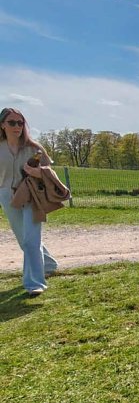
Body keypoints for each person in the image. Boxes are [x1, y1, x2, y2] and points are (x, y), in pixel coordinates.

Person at [0, 107, 59, 296]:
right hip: (7, 197)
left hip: (32, 196)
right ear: (2, 125)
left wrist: (37, 172)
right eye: (12, 122)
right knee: (23, 239)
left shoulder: (34, 148)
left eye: (20, 122)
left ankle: (34, 283)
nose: (17, 126)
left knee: (31, 240)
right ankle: (48, 264)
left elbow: (50, 172)